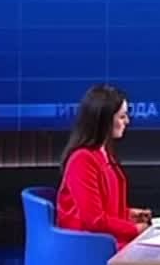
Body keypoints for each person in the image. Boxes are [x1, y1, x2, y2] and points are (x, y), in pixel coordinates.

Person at [55, 84, 152, 249]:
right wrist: (136, 230)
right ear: (105, 121)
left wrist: (129, 214)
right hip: (89, 247)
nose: (127, 122)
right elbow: (94, 221)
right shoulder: (82, 160)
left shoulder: (103, 154)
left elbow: (104, 210)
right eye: (122, 117)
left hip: (106, 241)